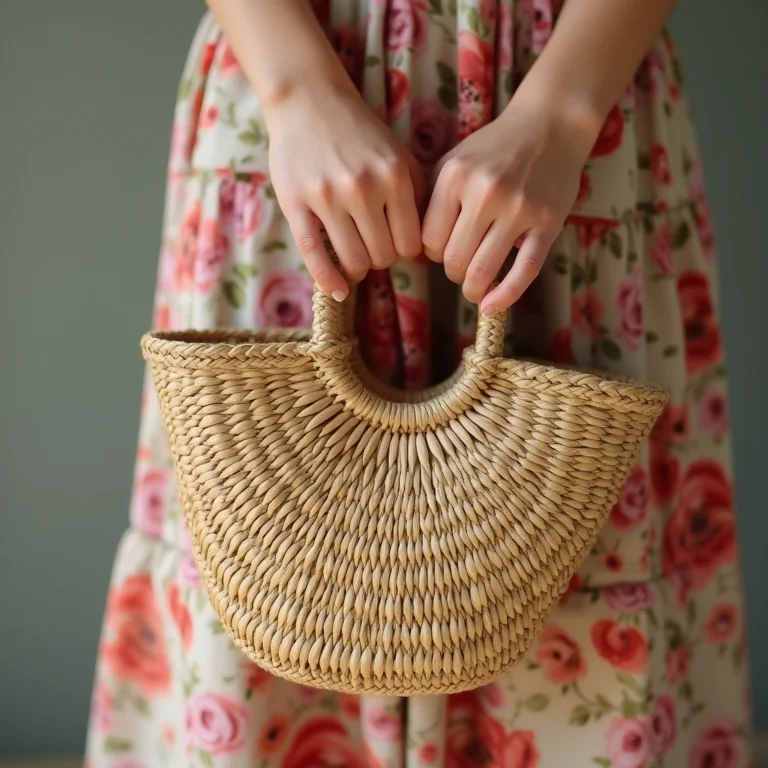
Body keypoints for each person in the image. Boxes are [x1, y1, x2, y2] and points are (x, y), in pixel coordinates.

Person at [85, 1, 754, 765]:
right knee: (253, 545)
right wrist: (296, 88)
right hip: (291, 91)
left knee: (576, 557)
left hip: (575, 84)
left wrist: (564, 111)